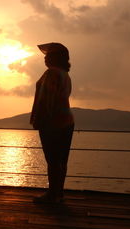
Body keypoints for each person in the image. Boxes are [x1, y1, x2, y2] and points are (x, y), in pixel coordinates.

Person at [30, 42, 75, 203]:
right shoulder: (65, 74)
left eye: (48, 55)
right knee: (62, 159)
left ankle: (51, 194)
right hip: (67, 120)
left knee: (53, 159)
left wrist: (40, 120)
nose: (45, 58)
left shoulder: (51, 73)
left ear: (55, 58)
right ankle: (58, 192)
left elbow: (46, 100)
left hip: (53, 121)